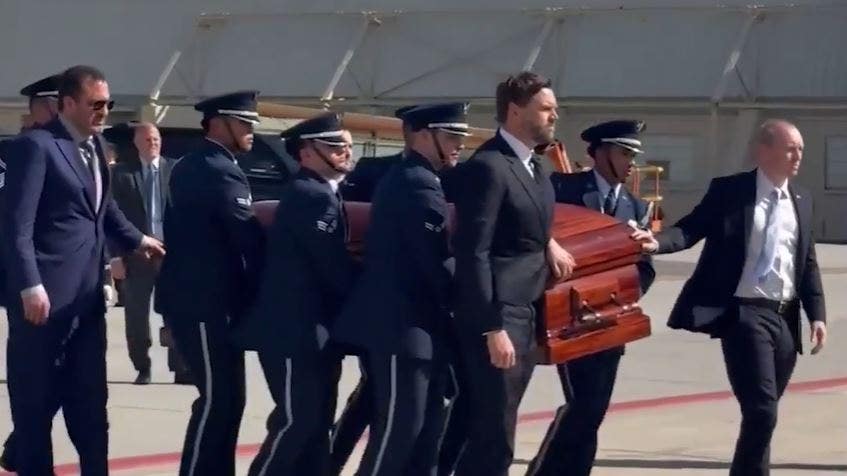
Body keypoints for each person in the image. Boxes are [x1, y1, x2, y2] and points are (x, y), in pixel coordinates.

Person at [633, 119, 827, 476]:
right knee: (762, 410)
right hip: (745, 314)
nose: (798, 155)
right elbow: (691, 228)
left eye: (800, 149)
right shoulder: (731, 191)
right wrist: (656, 243)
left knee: (763, 413)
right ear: (763, 151)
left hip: (784, 317)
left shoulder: (802, 199)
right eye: (790, 148)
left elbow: (807, 261)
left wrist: (817, 315)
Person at [1, 64, 164, 475]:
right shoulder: (37, 147)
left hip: (86, 303)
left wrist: (139, 240)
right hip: (43, 305)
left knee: (91, 407)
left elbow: (103, 211)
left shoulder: (95, 148)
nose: (103, 111)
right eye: (95, 104)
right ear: (68, 103)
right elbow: (17, 226)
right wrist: (29, 285)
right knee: (35, 409)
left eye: (107, 103)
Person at [333, 102, 469, 475]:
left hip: (420, 328)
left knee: (424, 433)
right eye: (451, 136)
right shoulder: (416, 182)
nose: (459, 144)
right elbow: (436, 260)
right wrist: (479, 299)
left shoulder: (419, 178)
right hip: (401, 328)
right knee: (399, 434)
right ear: (423, 136)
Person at [450, 71, 574, 476]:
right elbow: (473, 252)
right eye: (546, 108)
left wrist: (547, 241)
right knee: (494, 436)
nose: (554, 115)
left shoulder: (536, 167)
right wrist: (492, 327)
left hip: (528, 309)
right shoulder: (489, 166)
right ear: (516, 111)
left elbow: (521, 219)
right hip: (499, 314)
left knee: (495, 426)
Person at [527, 120, 656, 476]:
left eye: (633, 155)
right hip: (568, 317)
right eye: (624, 153)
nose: (631, 163)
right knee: (583, 403)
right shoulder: (563, 189)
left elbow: (643, 267)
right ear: (600, 153)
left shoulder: (636, 207)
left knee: (594, 409)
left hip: (611, 319)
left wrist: (623, 297)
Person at [232, 113, 358, 475]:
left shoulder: (322, 192)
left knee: (316, 425)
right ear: (306, 153)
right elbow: (333, 267)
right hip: (292, 332)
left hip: (312, 331)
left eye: (346, 145)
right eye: (334, 146)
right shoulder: (311, 196)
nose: (345, 152)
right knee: (297, 420)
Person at [155, 91, 265, 476]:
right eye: (244, 123)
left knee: (229, 400)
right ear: (219, 123)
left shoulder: (199, 163)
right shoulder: (217, 169)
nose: (251, 130)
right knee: (218, 400)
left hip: (208, 302)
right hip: (203, 303)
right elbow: (247, 235)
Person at [107, 122, 191, 385]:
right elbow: (112, 218)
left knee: (177, 311)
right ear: (136, 143)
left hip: (171, 254)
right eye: (147, 140)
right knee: (136, 314)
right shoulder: (122, 174)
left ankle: (181, 367)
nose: (152, 144)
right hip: (137, 253)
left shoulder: (176, 170)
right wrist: (115, 256)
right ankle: (142, 365)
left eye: (156, 139)